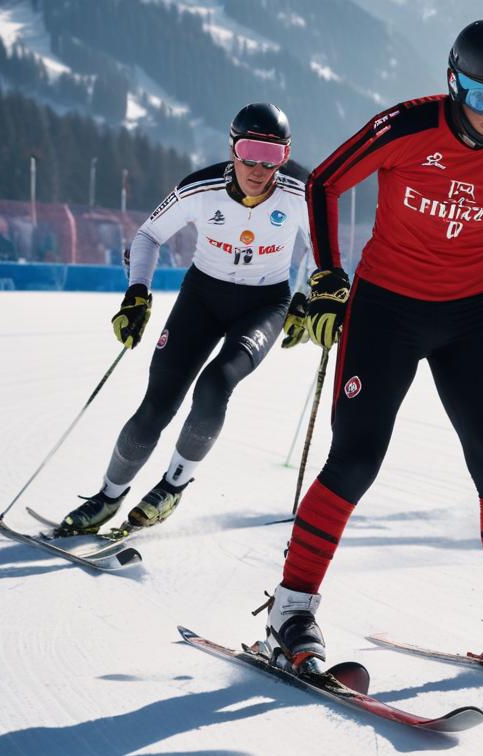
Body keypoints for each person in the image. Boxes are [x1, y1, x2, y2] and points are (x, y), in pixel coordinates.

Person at [266, 19, 483, 674]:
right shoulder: (405, 128)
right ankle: (290, 611)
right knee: (355, 459)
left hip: (470, 315)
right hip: (386, 311)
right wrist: (327, 278)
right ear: (454, 83)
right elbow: (323, 183)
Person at [56, 103, 312, 536]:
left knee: (215, 385)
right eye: (249, 151)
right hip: (203, 297)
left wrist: (307, 296)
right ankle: (108, 497)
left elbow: (322, 246)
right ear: (232, 148)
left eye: (272, 156)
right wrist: (138, 292)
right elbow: (149, 235)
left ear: (285, 156)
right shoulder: (201, 188)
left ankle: (172, 486)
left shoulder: (300, 191)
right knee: (157, 404)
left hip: (265, 304)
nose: (258, 167)